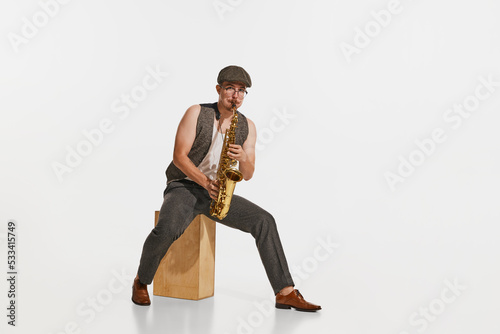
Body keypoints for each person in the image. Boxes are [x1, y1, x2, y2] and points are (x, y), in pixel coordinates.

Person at [132, 65, 321, 312]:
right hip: (184, 186)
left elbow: (249, 174)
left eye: (241, 91)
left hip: (218, 193)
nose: (236, 96)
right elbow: (179, 157)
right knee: (167, 229)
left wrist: (243, 157)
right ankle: (141, 281)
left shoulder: (248, 126)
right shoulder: (196, 112)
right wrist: (205, 182)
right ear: (219, 89)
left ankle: (285, 292)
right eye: (230, 88)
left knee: (264, 221)